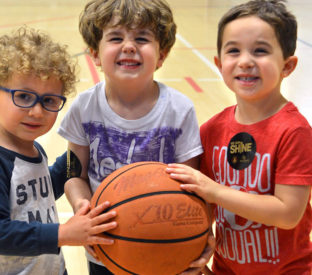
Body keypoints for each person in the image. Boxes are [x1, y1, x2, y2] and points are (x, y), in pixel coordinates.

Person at [166, 0, 312, 274]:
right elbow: (207, 207)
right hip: (225, 268)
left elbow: (288, 214)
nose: (245, 61)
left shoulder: (295, 132)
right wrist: (200, 245)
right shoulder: (212, 130)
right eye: (233, 51)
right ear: (219, 63)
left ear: (287, 66)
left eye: (260, 51)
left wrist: (214, 190)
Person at [57, 0, 214, 274]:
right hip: (106, 246)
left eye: (142, 39)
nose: (129, 46)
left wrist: (200, 233)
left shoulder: (179, 110)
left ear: (162, 55)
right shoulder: (83, 108)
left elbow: (193, 187)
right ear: (95, 53)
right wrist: (82, 206)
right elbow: (73, 171)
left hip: (164, 244)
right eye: (116, 38)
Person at [0, 26, 118, 275]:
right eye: (23, 97)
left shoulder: (34, 151)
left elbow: (42, 191)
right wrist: (62, 234)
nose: (37, 111)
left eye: (49, 100)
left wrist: (83, 149)